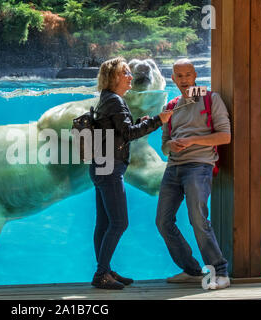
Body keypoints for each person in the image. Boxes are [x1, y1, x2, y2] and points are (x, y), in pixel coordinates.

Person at [89, 57, 173, 289]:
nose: (130, 76)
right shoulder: (115, 101)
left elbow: (118, 131)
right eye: (124, 73)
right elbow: (127, 134)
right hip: (109, 167)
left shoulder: (107, 99)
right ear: (113, 78)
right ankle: (101, 274)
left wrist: (139, 122)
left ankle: (105, 270)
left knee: (104, 223)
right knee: (119, 222)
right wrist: (158, 120)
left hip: (100, 165)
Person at [155, 58, 231, 289]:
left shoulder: (211, 99)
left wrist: (191, 141)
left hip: (199, 166)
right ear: (173, 79)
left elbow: (225, 137)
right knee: (162, 222)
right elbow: (164, 144)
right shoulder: (171, 106)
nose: (184, 80)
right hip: (173, 168)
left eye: (188, 75)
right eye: (180, 76)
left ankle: (220, 272)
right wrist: (172, 146)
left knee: (198, 219)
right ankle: (192, 270)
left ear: (195, 75)